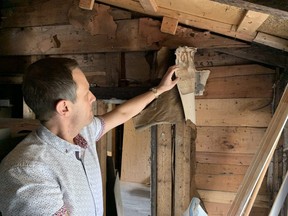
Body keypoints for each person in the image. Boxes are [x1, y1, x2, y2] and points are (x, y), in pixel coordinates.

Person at [0, 57, 179, 215]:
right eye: (86, 93)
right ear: (64, 108)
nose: (93, 98)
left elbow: (122, 113)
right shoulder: (28, 172)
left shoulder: (82, 134)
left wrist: (159, 90)